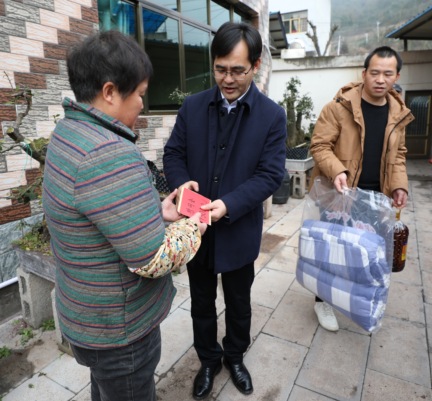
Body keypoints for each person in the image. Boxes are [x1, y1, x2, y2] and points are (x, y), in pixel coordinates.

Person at [42, 31, 207, 401]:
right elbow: (153, 258)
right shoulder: (109, 152)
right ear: (111, 91)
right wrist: (193, 224)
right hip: (120, 329)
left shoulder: (69, 131)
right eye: (141, 95)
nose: (142, 107)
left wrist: (159, 211)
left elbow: (99, 215)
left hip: (86, 317)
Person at [163, 22, 287, 400]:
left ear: (256, 65)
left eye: (238, 70)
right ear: (213, 63)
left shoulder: (271, 115)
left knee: (238, 303)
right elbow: (173, 153)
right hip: (195, 228)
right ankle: (208, 360)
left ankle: (234, 356)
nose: (228, 79)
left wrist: (229, 204)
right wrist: (183, 183)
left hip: (236, 230)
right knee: (201, 302)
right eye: (221, 69)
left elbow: (270, 174)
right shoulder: (193, 106)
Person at [309, 46, 414, 331]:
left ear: (396, 76)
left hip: (375, 200)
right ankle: (323, 301)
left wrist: (399, 185)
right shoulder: (338, 106)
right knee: (330, 253)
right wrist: (337, 170)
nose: (380, 79)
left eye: (387, 74)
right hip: (338, 194)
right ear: (364, 73)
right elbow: (319, 145)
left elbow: (399, 155)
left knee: (365, 254)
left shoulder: (398, 114)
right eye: (375, 72)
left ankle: (354, 298)